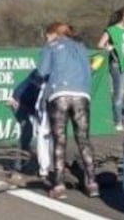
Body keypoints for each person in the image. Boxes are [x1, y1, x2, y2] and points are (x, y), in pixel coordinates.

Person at [35, 22, 99, 199]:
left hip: (59, 94)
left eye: (47, 36)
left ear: (53, 33)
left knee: (59, 139)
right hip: (82, 94)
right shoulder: (81, 47)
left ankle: (59, 184)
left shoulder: (51, 46)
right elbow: (88, 70)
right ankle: (92, 183)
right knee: (83, 139)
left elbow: (42, 72)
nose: (46, 39)